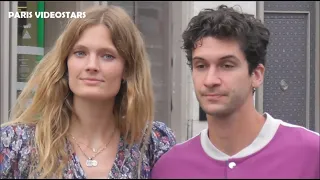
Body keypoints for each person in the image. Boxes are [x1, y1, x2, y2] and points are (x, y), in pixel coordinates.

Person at [0, 5, 176, 179]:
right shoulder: (17, 144)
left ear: (127, 69)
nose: (91, 65)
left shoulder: (153, 144)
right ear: (65, 62)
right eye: (80, 53)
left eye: (107, 55)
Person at [151, 5, 319, 179]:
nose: (210, 80)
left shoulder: (311, 154)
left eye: (227, 65)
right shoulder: (170, 168)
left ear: (256, 74)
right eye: (201, 66)